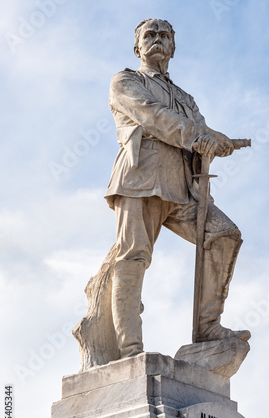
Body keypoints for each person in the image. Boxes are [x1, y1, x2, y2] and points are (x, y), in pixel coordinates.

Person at [105, 18, 250, 358]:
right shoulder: (125, 80)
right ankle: (130, 349)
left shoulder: (186, 98)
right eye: (149, 35)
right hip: (140, 177)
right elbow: (152, 115)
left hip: (183, 186)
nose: (157, 40)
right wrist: (202, 136)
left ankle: (207, 326)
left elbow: (201, 130)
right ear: (137, 46)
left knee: (224, 234)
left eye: (164, 35)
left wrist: (217, 141)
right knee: (133, 255)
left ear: (172, 47)